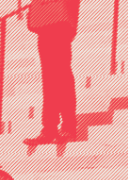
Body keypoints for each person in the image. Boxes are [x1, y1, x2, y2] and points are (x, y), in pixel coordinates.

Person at [24, 0, 82, 146]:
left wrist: (72, 25)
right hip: (45, 27)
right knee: (48, 80)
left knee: (62, 76)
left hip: (61, 25)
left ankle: (68, 127)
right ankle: (49, 129)